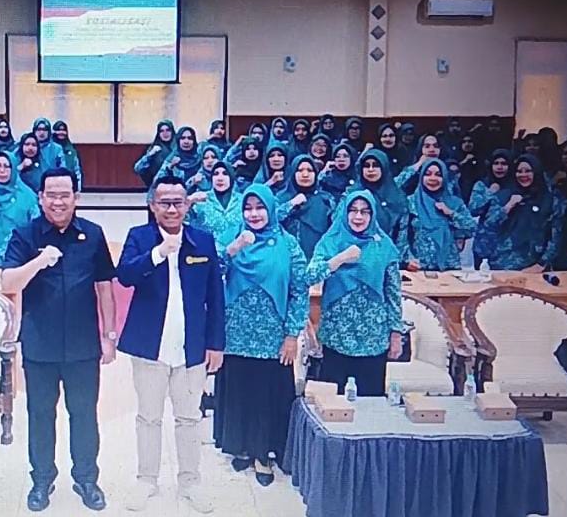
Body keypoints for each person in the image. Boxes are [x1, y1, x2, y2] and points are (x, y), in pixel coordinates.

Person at [1, 168, 117, 512]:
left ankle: (86, 479)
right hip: (40, 344)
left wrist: (109, 335)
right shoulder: (25, 235)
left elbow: (105, 287)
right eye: (51, 195)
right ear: (40, 198)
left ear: (76, 198)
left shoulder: (93, 235)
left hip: (83, 345)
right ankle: (41, 480)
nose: (58, 201)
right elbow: (9, 282)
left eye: (65, 195)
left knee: (84, 414)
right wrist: (39, 261)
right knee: (40, 415)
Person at [115, 175, 224, 513]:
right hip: (150, 345)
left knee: (189, 418)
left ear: (188, 205)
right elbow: (125, 275)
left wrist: (216, 344)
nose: (172, 209)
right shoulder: (139, 237)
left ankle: (190, 482)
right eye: (165, 202)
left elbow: (215, 296)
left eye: (178, 202)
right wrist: (157, 254)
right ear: (152, 205)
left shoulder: (202, 240)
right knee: (149, 417)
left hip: (191, 347)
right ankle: (147, 480)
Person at [217, 183, 308, 486]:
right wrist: (233, 249)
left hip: (273, 336)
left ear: (270, 209)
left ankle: (263, 453)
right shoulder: (231, 236)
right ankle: (241, 445)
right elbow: (210, 272)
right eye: (248, 208)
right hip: (235, 332)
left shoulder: (288, 244)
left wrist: (292, 335)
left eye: (259, 208)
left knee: (266, 395)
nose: (253, 214)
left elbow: (299, 290)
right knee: (240, 391)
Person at [307, 190, 403, 397]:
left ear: (372, 215)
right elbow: (310, 276)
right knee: (333, 403)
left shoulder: (384, 246)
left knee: (371, 403)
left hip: (373, 339)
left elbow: (393, 294)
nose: (358, 217)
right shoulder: (331, 241)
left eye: (365, 211)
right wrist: (340, 258)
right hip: (336, 337)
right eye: (353, 210)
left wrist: (396, 334)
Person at [481, 154, 565, 271]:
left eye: (528, 171)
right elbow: (489, 225)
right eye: (519, 171)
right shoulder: (504, 195)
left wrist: (541, 264)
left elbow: (556, 235)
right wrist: (508, 206)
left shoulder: (551, 199)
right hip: (502, 263)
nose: (523, 175)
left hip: (534, 266)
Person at [405, 159, 476, 271]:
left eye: (438, 175)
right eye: (428, 174)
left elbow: (472, 227)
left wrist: (450, 213)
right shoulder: (411, 202)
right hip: (420, 266)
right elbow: (401, 236)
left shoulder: (454, 203)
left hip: (449, 266)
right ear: (421, 177)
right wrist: (407, 260)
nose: (433, 178)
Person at [346, 149, 410, 259]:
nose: (371, 170)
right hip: (355, 258)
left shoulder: (397, 197)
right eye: (366, 166)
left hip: (388, 257)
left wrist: (398, 259)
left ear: (384, 167)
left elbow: (401, 236)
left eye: (375, 165)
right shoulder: (351, 195)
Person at [277, 154, 335, 259]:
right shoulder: (282, 198)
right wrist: (291, 204)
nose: (305, 174)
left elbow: (334, 231)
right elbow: (271, 221)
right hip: (286, 259)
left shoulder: (326, 200)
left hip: (317, 260)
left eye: (310, 170)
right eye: (300, 170)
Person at [186, 161, 243, 250]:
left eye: (225, 174)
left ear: (231, 177)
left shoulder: (242, 200)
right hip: (206, 253)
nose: (220, 178)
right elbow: (179, 222)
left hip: (239, 254)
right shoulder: (200, 199)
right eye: (216, 174)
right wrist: (189, 201)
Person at [134, 120, 176, 187]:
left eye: (168, 130)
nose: (165, 133)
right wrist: (150, 155)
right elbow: (138, 169)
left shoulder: (179, 148)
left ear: (172, 132)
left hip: (178, 185)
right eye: (161, 131)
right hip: (157, 186)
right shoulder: (154, 148)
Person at [52, 120, 84, 187]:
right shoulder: (50, 149)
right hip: (52, 183)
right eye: (59, 130)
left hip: (69, 184)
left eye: (63, 130)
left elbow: (77, 170)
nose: (61, 132)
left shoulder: (72, 150)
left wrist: (78, 187)